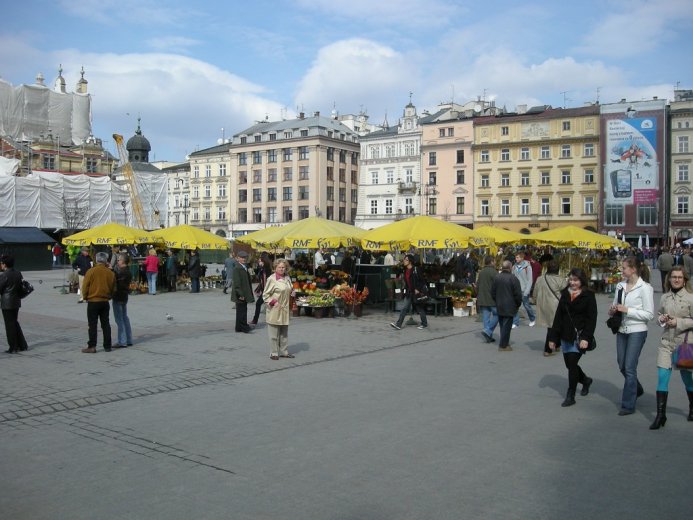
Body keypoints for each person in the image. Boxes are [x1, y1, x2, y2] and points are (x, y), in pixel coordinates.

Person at [608, 256, 654, 415]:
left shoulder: (645, 288)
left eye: (624, 268)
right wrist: (613, 310)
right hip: (622, 329)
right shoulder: (620, 286)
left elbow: (649, 314)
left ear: (633, 269)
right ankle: (636, 387)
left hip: (637, 330)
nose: (621, 270)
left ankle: (628, 404)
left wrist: (628, 310)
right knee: (621, 364)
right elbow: (615, 304)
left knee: (629, 366)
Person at [650, 266, 693, 428]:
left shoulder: (690, 297)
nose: (676, 280)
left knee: (687, 379)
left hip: (684, 344)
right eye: (673, 277)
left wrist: (678, 322)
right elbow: (659, 315)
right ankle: (661, 416)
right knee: (662, 377)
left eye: (679, 277)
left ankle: (692, 407)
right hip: (666, 343)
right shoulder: (665, 297)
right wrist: (662, 319)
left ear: (684, 280)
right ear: (669, 279)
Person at [548, 268, 597, 407]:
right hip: (565, 335)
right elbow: (558, 316)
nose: (572, 283)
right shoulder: (565, 294)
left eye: (575, 280)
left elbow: (591, 319)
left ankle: (571, 395)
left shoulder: (588, 295)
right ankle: (586, 380)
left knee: (572, 364)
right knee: (569, 365)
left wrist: (586, 337)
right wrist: (552, 338)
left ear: (581, 280)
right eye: (570, 280)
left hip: (579, 336)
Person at [81, 252, 116, 353]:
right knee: (105, 324)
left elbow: (85, 286)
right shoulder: (110, 273)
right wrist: (109, 296)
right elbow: (114, 288)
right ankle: (107, 346)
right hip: (105, 301)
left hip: (93, 301)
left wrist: (85, 297)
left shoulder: (91, 271)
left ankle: (92, 346)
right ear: (106, 261)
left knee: (92, 324)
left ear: (96, 260)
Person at [533, 260, 568, 356]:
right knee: (553, 328)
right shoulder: (561, 280)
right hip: (556, 306)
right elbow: (566, 294)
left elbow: (535, 292)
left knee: (552, 327)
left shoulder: (540, 279)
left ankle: (556, 344)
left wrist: (535, 301)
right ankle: (547, 350)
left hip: (543, 305)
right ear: (558, 269)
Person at [263, 258, 295, 360]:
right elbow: (265, 295)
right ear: (275, 268)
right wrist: (274, 302)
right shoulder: (271, 279)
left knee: (284, 333)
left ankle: (284, 352)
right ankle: (274, 353)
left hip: (285, 309)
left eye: (283, 267)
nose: (281, 269)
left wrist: (292, 292)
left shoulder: (287, 277)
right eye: (279, 267)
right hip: (275, 309)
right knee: (274, 333)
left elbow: (289, 288)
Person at [390, 254, 428, 330]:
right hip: (409, 292)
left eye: (406, 260)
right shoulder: (405, 270)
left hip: (416, 293)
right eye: (404, 259)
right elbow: (406, 282)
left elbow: (423, 281)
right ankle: (398, 324)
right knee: (404, 308)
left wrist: (418, 289)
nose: (404, 261)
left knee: (419, 308)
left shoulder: (416, 269)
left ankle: (424, 324)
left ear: (410, 261)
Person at [491, 260, 522, 352]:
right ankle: (503, 345)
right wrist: (517, 304)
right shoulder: (513, 278)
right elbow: (518, 294)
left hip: (500, 304)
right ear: (510, 267)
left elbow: (492, 292)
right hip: (510, 305)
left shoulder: (497, 277)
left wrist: (496, 301)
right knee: (506, 326)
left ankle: (504, 342)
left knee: (502, 325)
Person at [0, 255, 29, 353]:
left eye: (1, 263)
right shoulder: (18, 273)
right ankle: (22, 345)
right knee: (15, 323)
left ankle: (13, 347)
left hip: (7, 303)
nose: (1, 265)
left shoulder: (4, 275)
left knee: (9, 325)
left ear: (5, 264)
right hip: (16, 302)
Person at [112, 254, 133, 348]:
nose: (118, 261)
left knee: (119, 319)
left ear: (123, 261)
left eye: (119, 260)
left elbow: (116, 280)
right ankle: (128, 339)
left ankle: (122, 341)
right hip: (124, 296)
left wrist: (111, 270)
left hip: (118, 296)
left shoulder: (122, 272)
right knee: (124, 317)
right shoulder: (127, 271)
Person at [476, 255, 499, 343]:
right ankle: (488, 331)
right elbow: (498, 285)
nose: (495, 262)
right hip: (492, 298)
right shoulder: (494, 272)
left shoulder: (481, 272)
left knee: (486, 317)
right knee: (498, 314)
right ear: (492, 262)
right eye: (494, 261)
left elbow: (477, 285)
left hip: (482, 298)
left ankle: (488, 335)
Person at [231, 250, 254, 333]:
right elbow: (237, 283)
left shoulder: (244, 267)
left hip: (244, 292)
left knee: (241, 310)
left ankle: (238, 327)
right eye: (242, 257)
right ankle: (244, 327)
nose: (244, 259)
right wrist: (240, 294)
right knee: (242, 311)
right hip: (241, 293)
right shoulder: (237, 268)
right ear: (237, 258)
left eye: (245, 257)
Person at [512, 251, 536, 328]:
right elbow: (512, 278)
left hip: (524, 289)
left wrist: (527, 291)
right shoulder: (514, 267)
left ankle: (532, 319)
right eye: (516, 257)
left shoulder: (527, 267)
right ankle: (515, 322)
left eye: (517, 257)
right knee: (515, 306)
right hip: (516, 290)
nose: (516, 259)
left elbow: (530, 280)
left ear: (522, 258)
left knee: (526, 306)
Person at [251, 253, 272, 325]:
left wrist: (265, 291)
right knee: (264, 304)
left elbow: (266, 281)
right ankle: (255, 320)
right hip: (265, 290)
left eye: (260, 261)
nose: (259, 262)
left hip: (267, 290)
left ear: (264, 261)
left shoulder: (266, 270)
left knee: (258, 304)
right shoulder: (263, 269)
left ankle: (255, 320)